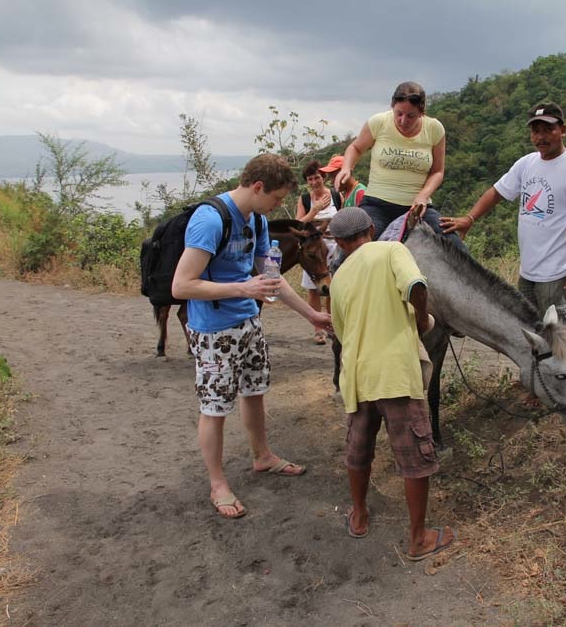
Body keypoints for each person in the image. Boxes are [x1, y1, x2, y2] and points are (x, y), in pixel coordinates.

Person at [172, 153, 332, 519]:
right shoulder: (210, 220)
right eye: (276, 198)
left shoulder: (257, 220)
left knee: (255, 392)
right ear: (257, 187)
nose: (278, 206)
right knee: (215, 408)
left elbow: (270, 279)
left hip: (248, 324)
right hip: (214, 331)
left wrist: (312, 316)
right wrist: (243, 289)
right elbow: (182, 285)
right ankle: (218, 484)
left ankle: (263, 456)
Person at [328, 207, 456, 561]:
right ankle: (418, 540)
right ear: (372, 229)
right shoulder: (392, 250)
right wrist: (418, 321)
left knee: (358, 449)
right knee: (414, 454)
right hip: (395, 371)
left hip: (357, 373)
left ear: (338, 243)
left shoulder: (338, 277)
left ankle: (359, 515)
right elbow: (416, 285)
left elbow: (339, 331)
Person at [441, 102, 566, 329]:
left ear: (562, 130)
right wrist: (469, 219)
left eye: (548, 130)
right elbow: (496, 192)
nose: (541, 137)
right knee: (529, 333)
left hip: (556, 273)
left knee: (558, 337)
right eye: (536, 131)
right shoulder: (527, 163)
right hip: (528, 272)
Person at [333, 81, 461, 248]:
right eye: (399, 114)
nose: (403, 121)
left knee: (456, 246)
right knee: (356, 247)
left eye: (411, 116)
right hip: (377, 204)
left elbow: (437, 171)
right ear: (392, 106)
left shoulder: (435, 129)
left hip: (418, 207)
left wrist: (423, 195)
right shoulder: (378, 122)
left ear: (422, 112)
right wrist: (346, 168)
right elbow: (356, 147)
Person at [296, 160, 340, 345]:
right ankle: (318, 328)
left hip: (333, 248)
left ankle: (331, 324)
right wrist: (314, 210)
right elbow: (298, 224)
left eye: (317, 178)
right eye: (310, 179)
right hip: (314, 250)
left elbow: (342, 217)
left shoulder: (336, 196)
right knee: (313, 289)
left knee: (332, 289)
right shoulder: (305, 199)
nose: (314, 182)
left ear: (324, 178)